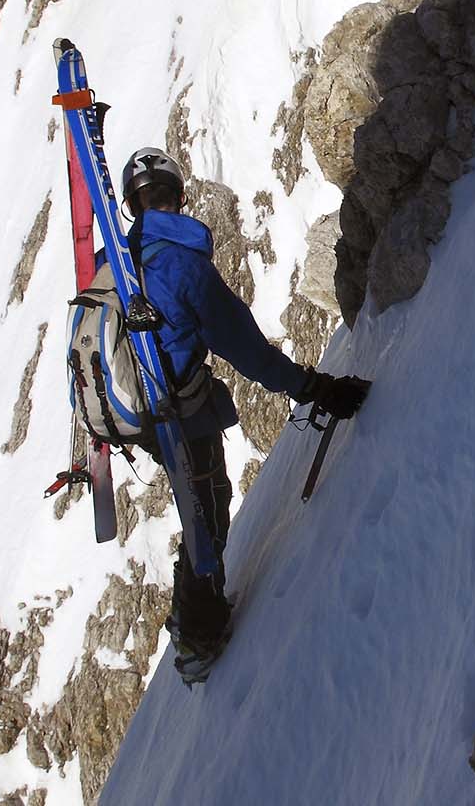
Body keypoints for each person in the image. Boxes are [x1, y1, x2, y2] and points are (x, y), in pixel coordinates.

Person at [119, 146, 370, 668]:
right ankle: (197, 634)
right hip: (182, 411)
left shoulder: (117, 266)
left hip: (141, 412)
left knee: (199, 504)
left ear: (130, 207)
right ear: (180, 198)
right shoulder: (181, 265)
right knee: (206, 509)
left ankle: (192, 617)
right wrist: (315, 389)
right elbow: (245, 349)